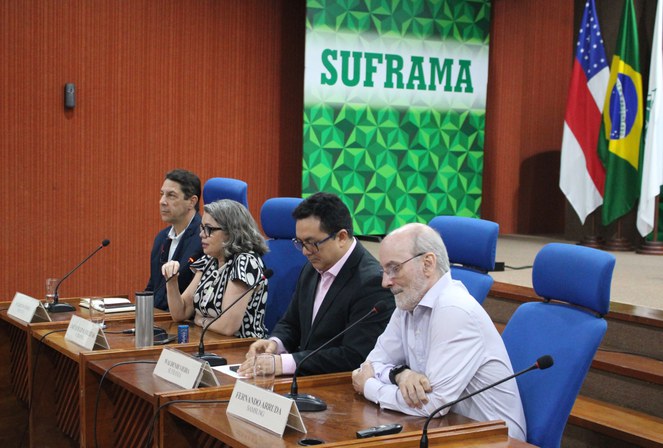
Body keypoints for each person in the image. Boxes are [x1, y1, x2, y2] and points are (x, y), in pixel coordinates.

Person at [352, 223, 526, 441]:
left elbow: (432, 404)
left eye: (394, 269)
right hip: (445, 429)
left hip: (493, 438)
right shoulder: (407, 302)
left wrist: (370, 387)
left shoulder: (455, 311)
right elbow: (369, 365)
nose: (385, 282)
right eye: (384, 270)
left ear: (427, 263)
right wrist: (400, 374)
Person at [238, 192, 395, 377]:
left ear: (342, 237)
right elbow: (291, 322)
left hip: (337, 386)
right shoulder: (312, 267)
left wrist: (284, 363)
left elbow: (355, 355)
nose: (305, 251)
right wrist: (275, 343)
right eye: (300, 242)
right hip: (304, 380)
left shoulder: (372, 282)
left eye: (312, 243)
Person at [161, 199, 269, 338]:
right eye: (202, 228)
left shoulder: (246, 262)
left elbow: (228, 326)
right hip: (208, 341)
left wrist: (199, 320)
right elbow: (180, 313)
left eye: (209, 229)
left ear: (231, 232)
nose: (202, 234)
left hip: (241, 348)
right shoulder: (209, 260)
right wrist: (172, 281)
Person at [146, 169, 204, 310]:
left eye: (171, 196)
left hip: (185, 323)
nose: (162, 202)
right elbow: (153, 288)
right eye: (162, 195)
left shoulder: (204, 239)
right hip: (159, 319)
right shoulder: (161, 238)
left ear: (191, 202)